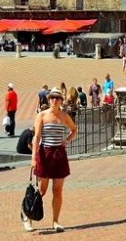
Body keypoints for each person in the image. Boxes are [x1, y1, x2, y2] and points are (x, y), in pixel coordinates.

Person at [23, 87, 77, 232]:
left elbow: (74, 129)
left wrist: (67, 140)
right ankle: (27, 216)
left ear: (61, 100)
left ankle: (55, 221)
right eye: (52, 97)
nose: (54, 100)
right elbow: (36, 137)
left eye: (57, 98)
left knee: (57, 191)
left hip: (59, 155)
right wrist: (33, 157)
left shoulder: (64, 116)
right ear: (49, 99)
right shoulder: (42, 115)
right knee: (41, 191)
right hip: (44, 154)